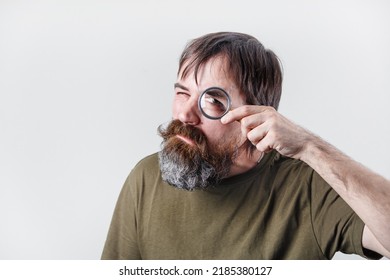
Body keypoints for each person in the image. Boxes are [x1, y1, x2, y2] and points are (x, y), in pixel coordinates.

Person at [101, 32, 390, 259]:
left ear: (255, 115)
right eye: (181, 92)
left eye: (212, 100)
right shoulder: (147, 176)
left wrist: (309, 146)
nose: (184, 115)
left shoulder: (306, 188)